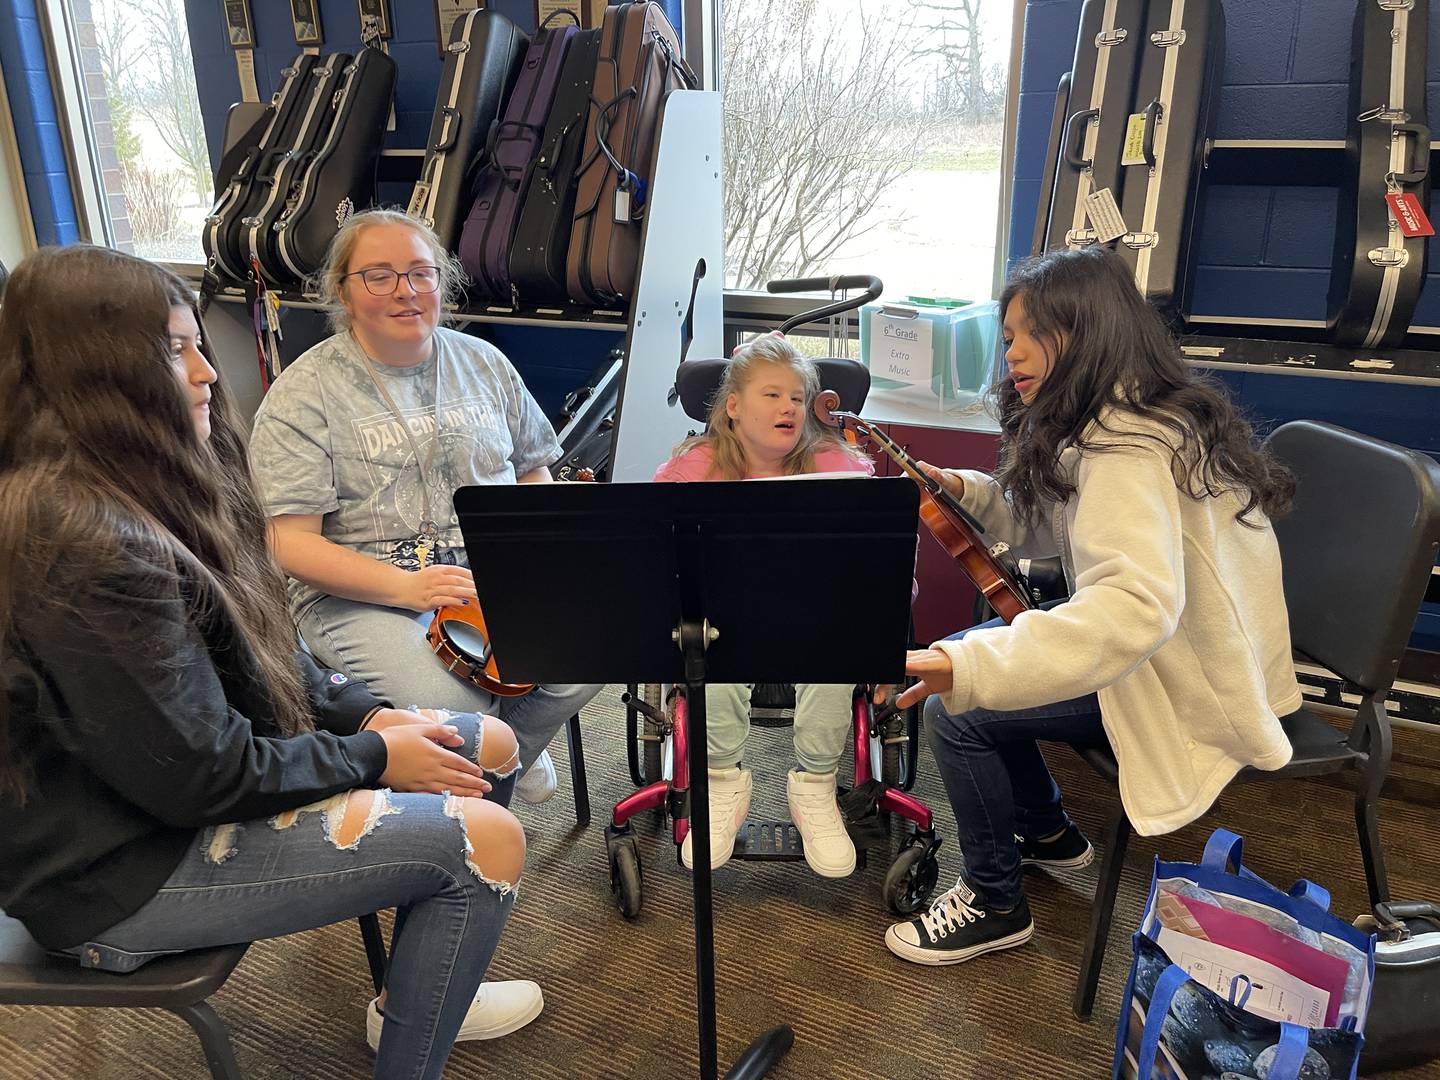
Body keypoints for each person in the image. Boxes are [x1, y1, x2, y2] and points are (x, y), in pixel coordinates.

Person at [0, 245, 541, 1078]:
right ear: (100, 376)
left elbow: (262, 646)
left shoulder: (134, 487)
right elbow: (201, 777)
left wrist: (366, 714)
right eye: (175, 350)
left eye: (196, 344)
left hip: (165, 809)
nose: (206, 372)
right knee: (484, 845)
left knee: (487, 744)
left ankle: (423, 991)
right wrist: (375, 756)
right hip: (116, 875)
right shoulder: (80, 540)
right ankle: (416, 1025)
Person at [880, 246, 1302, 966]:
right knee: (985, 656)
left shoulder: (1126, 449)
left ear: (1081, 331)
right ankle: (1048, 832)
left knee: (956, 711)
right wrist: (970, 489)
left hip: (1182, 680)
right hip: (1211, 660)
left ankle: (995, 902)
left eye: (1023, 334)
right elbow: (1061, 522)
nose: (1008, 353)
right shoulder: (1139, 414)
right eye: (1005, 335)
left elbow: (1135, 608)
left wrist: (969, 664)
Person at [249, 209, 599, 805]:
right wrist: (405, 589)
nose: (405, 291)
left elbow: (534, 468)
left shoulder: (484, 363)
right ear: (343, 291)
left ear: (443, 281)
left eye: (420, 273)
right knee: (461, 707)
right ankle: (493, 768)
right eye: (378, 276)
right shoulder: (303, 395)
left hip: (490, 578)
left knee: (601, 644)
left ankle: (509, 753)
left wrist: (544, 548)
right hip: (360, 594)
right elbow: (289, 542)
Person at [654, 334, 876, 878]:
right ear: (733, 406)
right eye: (772, 395)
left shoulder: (840, 467)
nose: (789, 408)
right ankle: (722, 785)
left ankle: (815, 790)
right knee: (712, 639)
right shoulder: (692, 470)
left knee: (838, 643)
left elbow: (882, 568)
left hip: (816, 618)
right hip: (724, 623)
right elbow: (655, 562)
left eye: (798, 398)